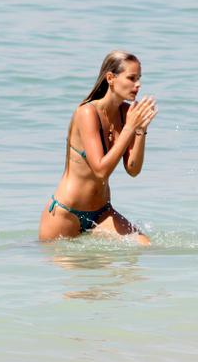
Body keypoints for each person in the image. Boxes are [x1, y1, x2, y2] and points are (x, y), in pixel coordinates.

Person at [39, 50, 157, 245]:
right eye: (131, 78)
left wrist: (140, 131)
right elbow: (101, 170)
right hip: (66, 214)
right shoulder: (87, 112)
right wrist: (129, 127)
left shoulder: (126, 113)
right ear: (110, 78)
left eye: (139, 78)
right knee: (67, 275)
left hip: (102, 213)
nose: (138, 85)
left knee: (145, 247)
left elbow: (133, 170)